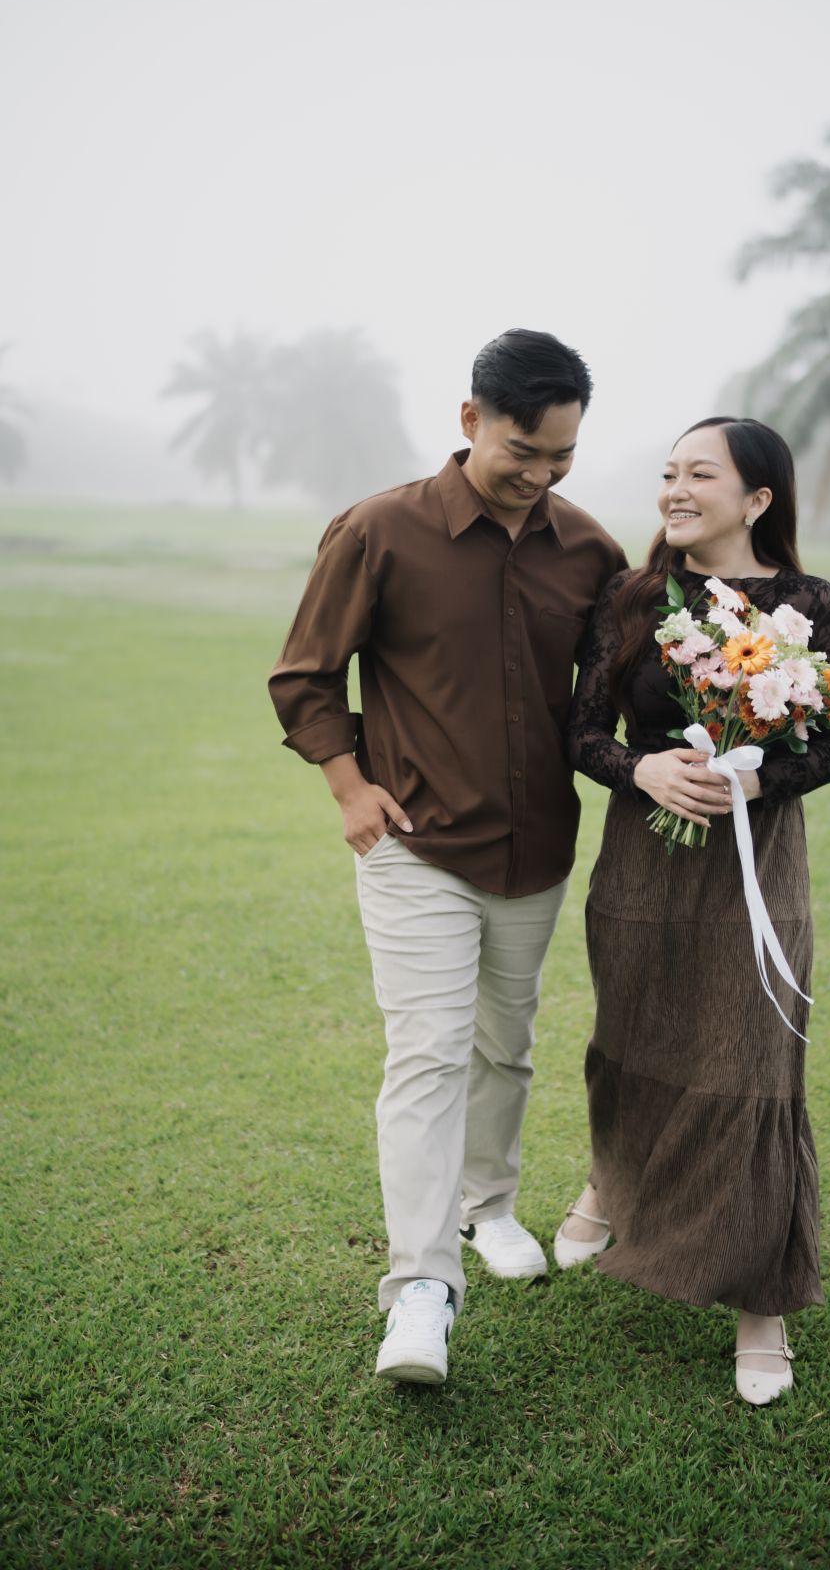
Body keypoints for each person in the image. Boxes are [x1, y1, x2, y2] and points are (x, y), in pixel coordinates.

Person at [268, 329, 626, 1386]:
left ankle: (490, 1206)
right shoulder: (377, 530)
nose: (540, 474)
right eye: (523, 450)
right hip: (413, 844)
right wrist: (349, 787)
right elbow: (305, 675)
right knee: (427, 1054)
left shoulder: (589, 551)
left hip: (537, 846)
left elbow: (613, 695)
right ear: (471, 420)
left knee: (504, 1047)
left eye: (561, 455)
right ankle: (421, 1289)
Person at [554, 416, 830, 1405]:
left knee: (749, 1066)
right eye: (668, 473)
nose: (675, 490)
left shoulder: (806, 604)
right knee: (632, 1038)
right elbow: (582, 730)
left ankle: (760, 1302)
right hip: (641, 863)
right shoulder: (634, 595)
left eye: (699, 474)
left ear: (757, 499)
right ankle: (612, 1180)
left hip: (753, 866)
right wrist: (641, 768)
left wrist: (752, 776)